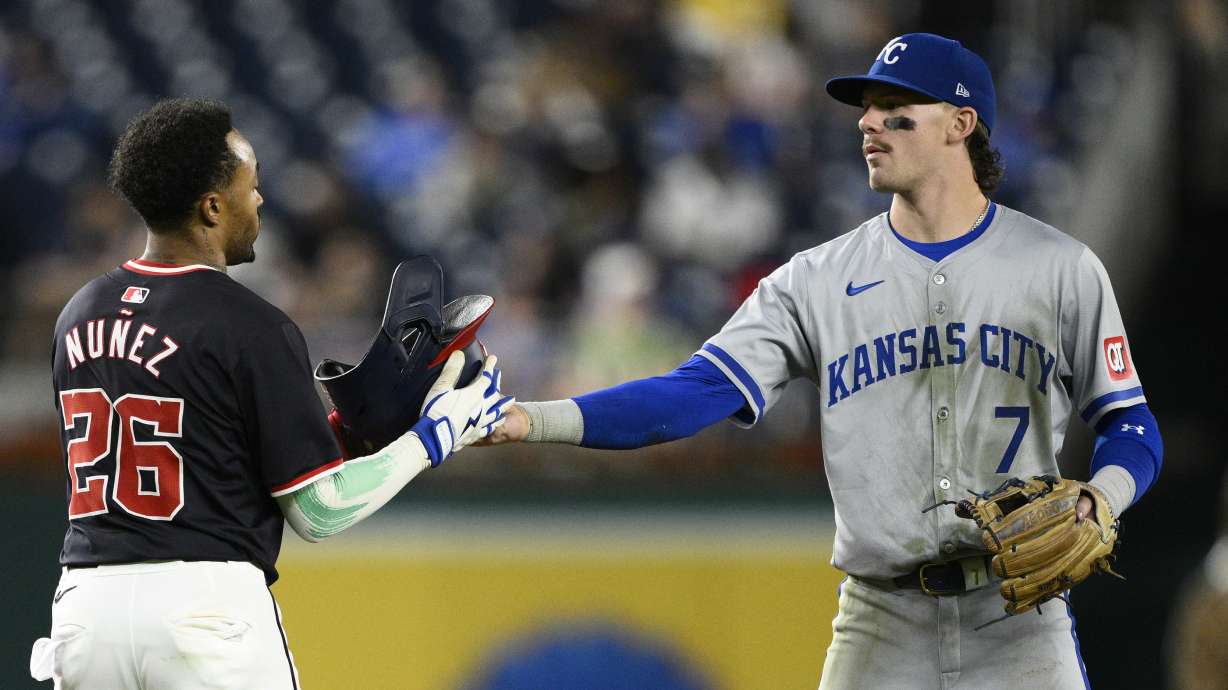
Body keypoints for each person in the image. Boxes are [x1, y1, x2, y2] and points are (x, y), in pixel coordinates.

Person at [483, 33, 1164, 688]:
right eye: (865, 108)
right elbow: (689, 396)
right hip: (881, 618)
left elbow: (1130, 426)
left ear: (961, 123)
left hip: (1020, 619)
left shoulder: (1061, 268)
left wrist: (1102, 497)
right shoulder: (814, 280)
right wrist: (533, 420)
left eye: (896, 111)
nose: (869, 124)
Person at [30, 98, 510, 689]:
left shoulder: (78, 313)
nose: (259, 200)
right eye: (249, 186)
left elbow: (193, 447)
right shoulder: (250, 323)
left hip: (85, 609)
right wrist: (433, 436)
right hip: (203, 609)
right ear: (211, 207)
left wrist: (339, 439)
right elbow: (320, 510)